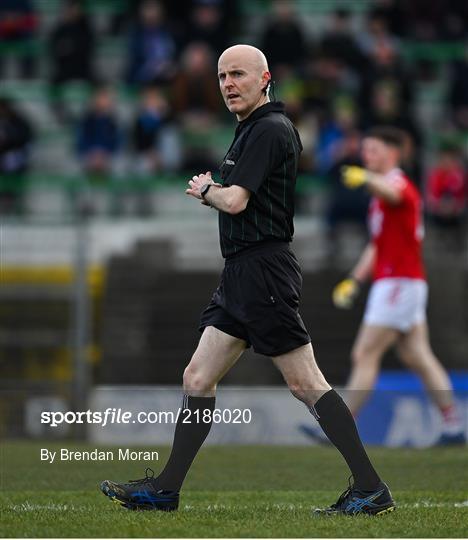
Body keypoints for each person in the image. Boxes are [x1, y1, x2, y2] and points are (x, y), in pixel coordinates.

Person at [100, 45, 395, 516]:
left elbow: (235, 201)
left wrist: (205, 190)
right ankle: (166, 490)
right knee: (197, 377)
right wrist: (215, 193)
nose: (227, 84)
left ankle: (370, 486)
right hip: (242, 272)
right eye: (221, 76)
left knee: (304, 382)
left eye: (237, 74)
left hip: (263, 272)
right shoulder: (254, 129)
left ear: (265, 78)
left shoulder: (269, 129)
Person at [301, 126, 466, 446]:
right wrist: (355, 279)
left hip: (397, 284)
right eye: (366, 150)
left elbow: (395, 193)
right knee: (417, 355)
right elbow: (377, 245)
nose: (366, 156)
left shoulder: (397, 183)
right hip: (401, 282)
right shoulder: (381, 195)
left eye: (373, 150)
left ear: (392, 154)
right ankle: (453, 425)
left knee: (365, 352)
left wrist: (365, 179)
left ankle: (339, 427)